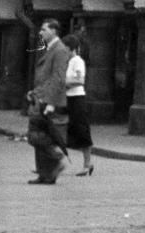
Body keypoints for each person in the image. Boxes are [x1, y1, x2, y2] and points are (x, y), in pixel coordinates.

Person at [26, 20, 71, 185]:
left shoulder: (59, 50)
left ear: (54, 31)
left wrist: (50, 101)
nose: (40, 33)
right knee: (39, 134)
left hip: (48, 101)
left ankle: (57, 159)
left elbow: (58, 78)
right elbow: (46, 78)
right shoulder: (51, 49)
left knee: (36, 136)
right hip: (41, 98)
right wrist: (35, 92)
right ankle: (45, 174)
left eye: (43, 29)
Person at [64, 30, 95, 176]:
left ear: (71, 48)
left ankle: (87, 164)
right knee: (65, 131)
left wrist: (63, 83)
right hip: (68, 99)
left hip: (77, 99)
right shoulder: (68, 62)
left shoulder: (77, 61)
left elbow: (79, 81)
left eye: (65, 48)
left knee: (82, 131)